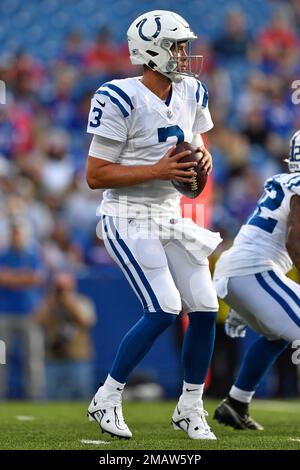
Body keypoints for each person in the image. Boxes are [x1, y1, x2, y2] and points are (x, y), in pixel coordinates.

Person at [85, 10, 222, 440]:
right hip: (125, 215)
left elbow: (196, 156)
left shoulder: (192, 91)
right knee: (164, 307)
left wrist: (204, 163)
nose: (184, 55)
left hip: (168, 214)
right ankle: (106, 398)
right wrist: (156, 171)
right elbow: (95, 175)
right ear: (151, 51)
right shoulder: (118, 96)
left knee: (204, 305)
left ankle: (190, 405)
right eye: (177, 46)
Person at [213, 130, 300, 430]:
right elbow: (295, 240)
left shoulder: (283, 182)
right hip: (254, 269)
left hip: (238, 269)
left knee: (276, 337)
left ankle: (236, 403)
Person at [0, 221, 45, 399]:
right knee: (1, 357)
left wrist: (11, 277)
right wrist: (22, 277)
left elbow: (36, 278)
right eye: (14, 233)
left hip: (29, 313)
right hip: (4, 313)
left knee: (33, 358)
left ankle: (35, 396)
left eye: (18, 233)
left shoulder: (32, 254)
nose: (16, 237)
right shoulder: (3, 255)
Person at [34, 272, 96, 400]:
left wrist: (69, 303)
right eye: (59, 287)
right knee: (51, 396)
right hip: (54, 357)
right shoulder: (48, 304)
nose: (62, 291)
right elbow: (37, 321)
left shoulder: (82, 301)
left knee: (82, 394)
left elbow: (86, 322)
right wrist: (51, 301)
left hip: (78, 357)